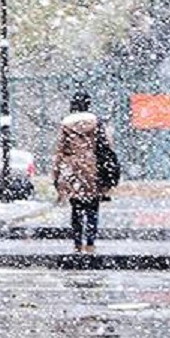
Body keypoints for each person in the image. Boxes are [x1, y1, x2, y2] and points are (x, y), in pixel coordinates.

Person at [51, 91, 111, 253]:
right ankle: (90, 243)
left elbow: (60, 151)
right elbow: (106, 148)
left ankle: (77, 244)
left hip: (73, 169)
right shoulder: (96, 123)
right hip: (93, 167)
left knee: (76, 207)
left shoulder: (66, 125)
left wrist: (56, 176)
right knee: (93, 207)